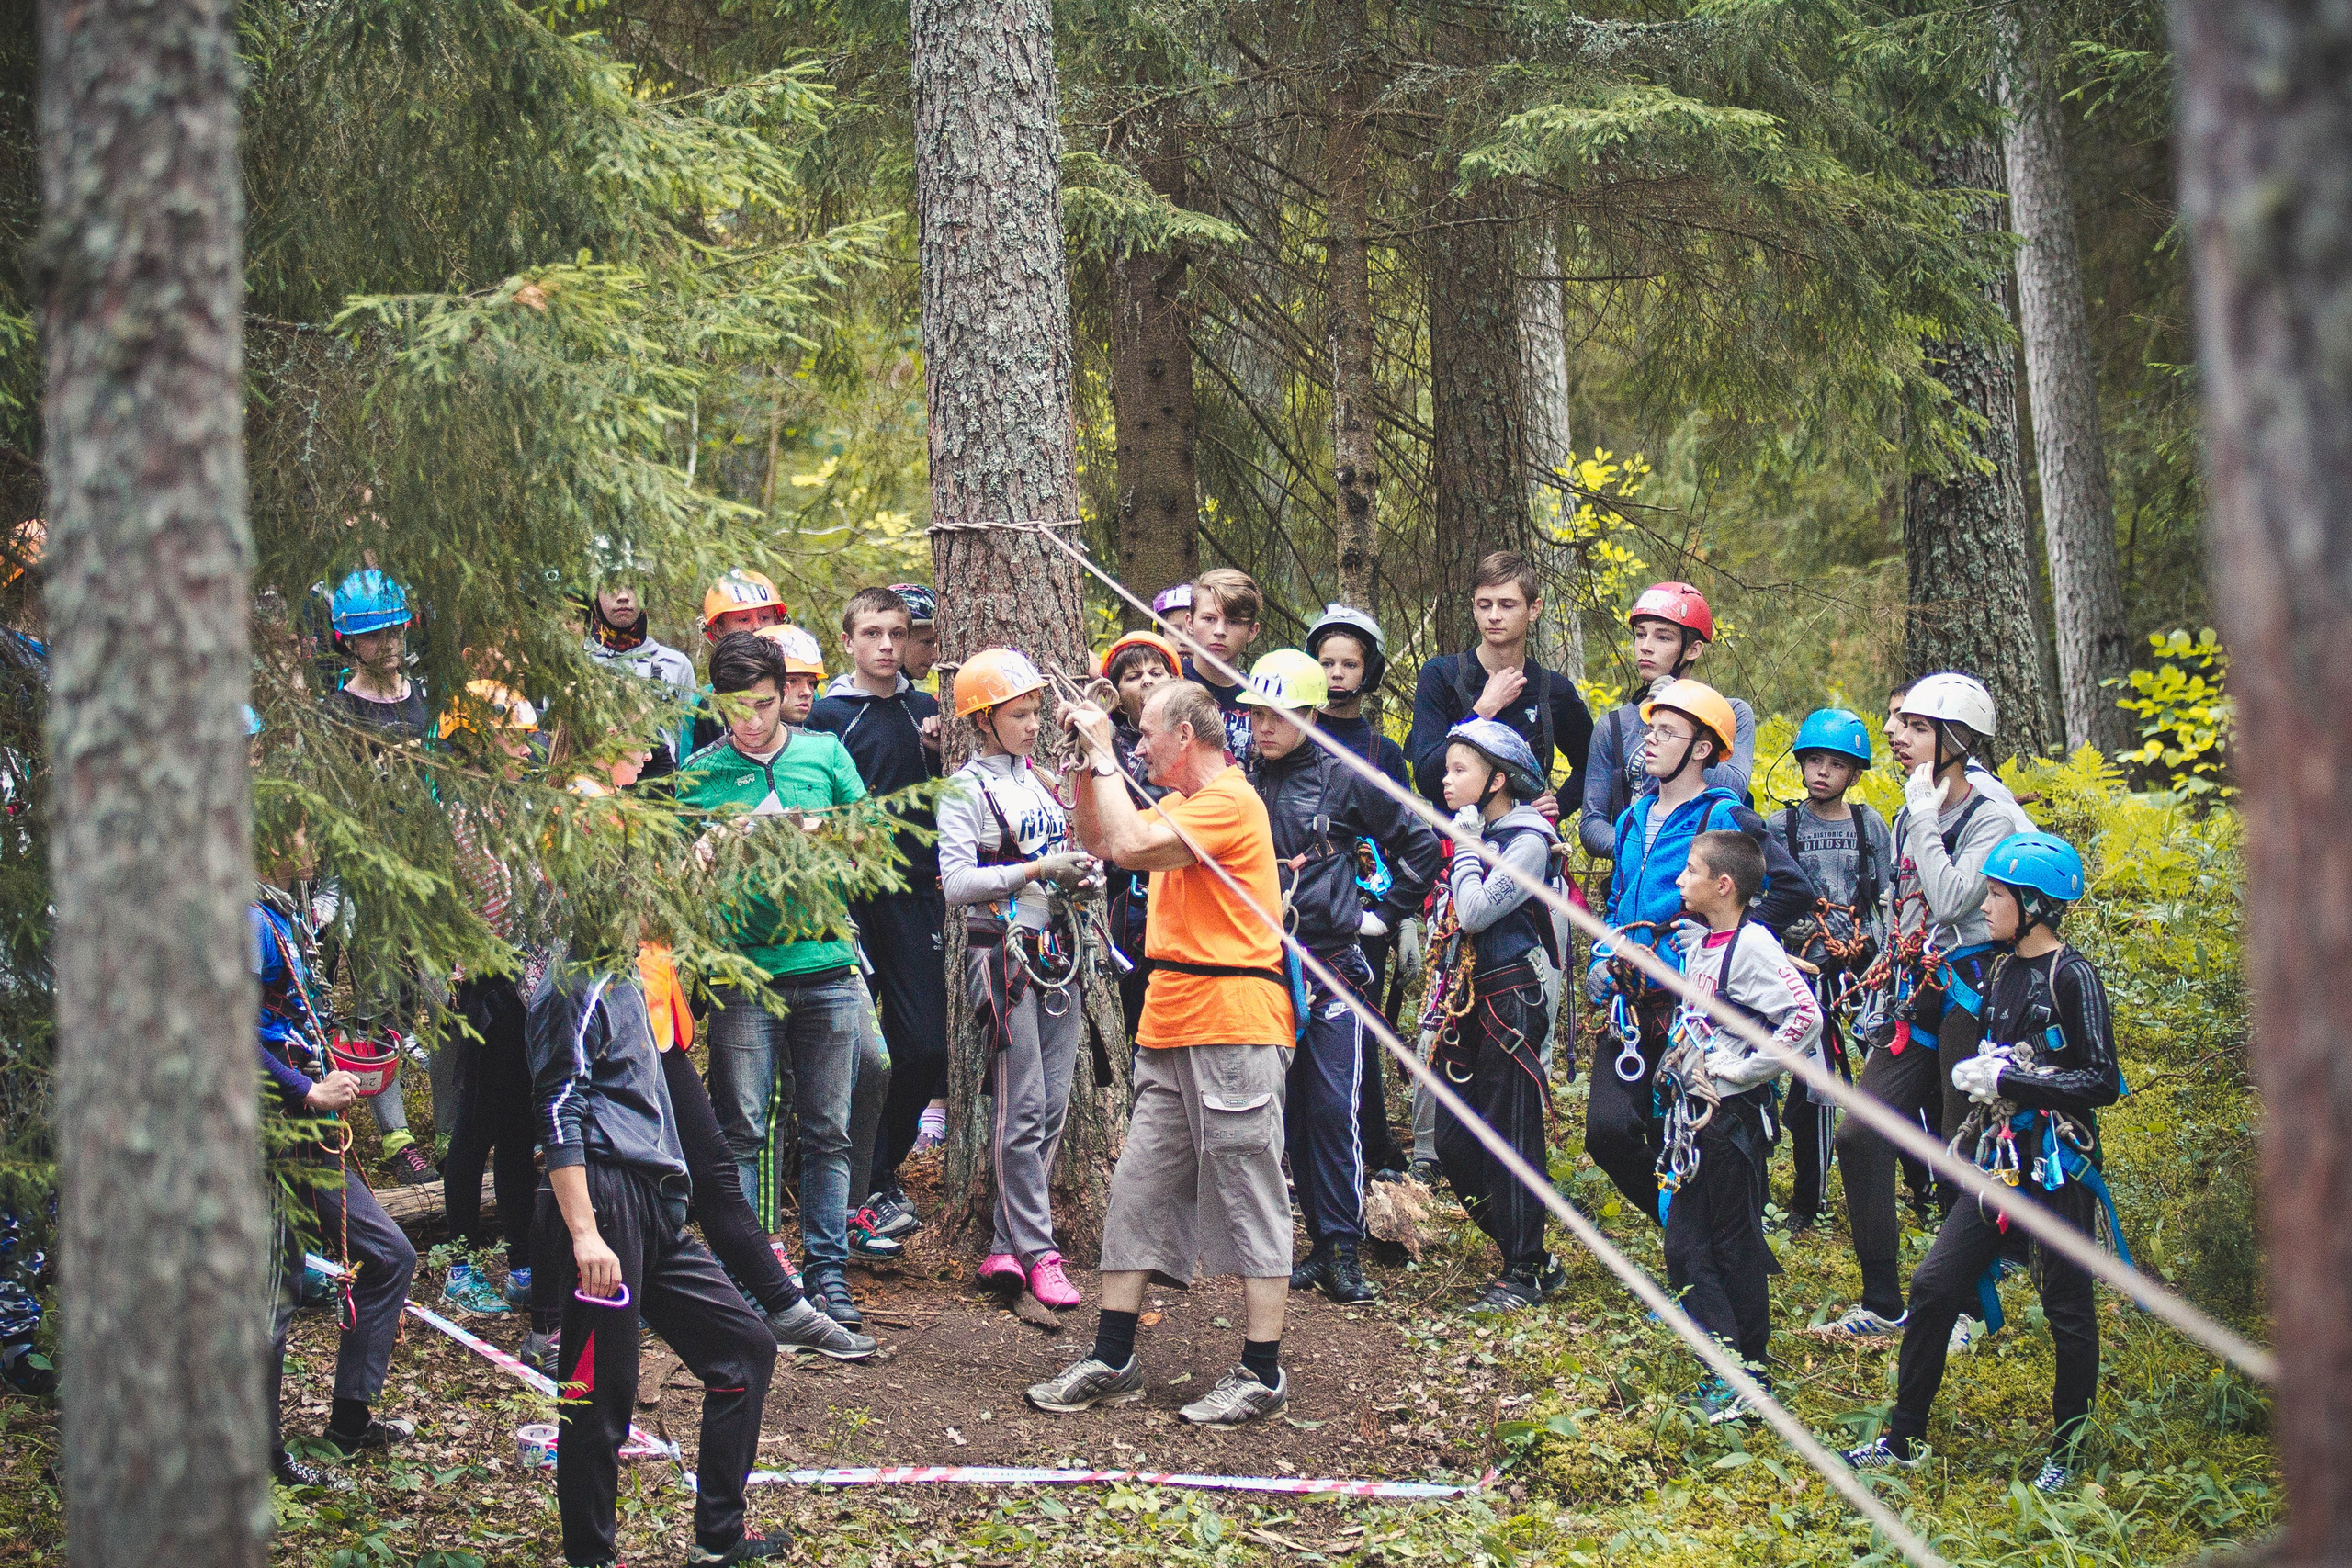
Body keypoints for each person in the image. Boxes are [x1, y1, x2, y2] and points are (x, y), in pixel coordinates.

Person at [1031, 681, 1296, 1426]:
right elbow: (1101, 840)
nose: (1139, 745)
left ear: (1187, 733)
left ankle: (1263, 1370)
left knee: (1249, 1186)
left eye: (1146, 733)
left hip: (1236, 1019)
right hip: (1172, 1021)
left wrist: (1104, 752)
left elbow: (1132, 842)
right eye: (1133, 736)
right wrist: (1089, 765)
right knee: (1138, 1185)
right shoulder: (1182, 807)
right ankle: (1114, 1356)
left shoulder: (1232, 802)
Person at [1843, 831, 2120, 1494]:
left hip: (2054, 1165)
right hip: (1999, 1166)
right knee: (1936, 1285)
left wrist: (2016, 1083)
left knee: (2067, 1307)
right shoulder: (1999, 969)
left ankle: (2068, 1447)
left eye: (1997, 894)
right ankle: (1904, 1435)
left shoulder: (2070, 975)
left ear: (2033, 905)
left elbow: (2102, 1080)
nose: (1986, 904)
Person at [530, 958, 784, 1568]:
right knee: (598, 1401)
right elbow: (560, 1107)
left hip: (653, 1205)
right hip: (604, 1197)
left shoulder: (628, 973)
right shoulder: (572, 980)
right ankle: (592, 1558)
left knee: (745, 1347)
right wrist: (585, 1232)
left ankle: (718, 1537)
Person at [673, 631, 876, 1328]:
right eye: (737, 708)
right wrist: (711, 849)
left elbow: (874, 838)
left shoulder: (823, 751)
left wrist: (828, 834)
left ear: (785, 693)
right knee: (745, 1128)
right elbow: (673, 888)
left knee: (829, 1129)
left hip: (825, 965)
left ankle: (828, 1275)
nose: (752, 721)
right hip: (742, 974)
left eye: (763, 704)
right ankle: (758, 1271)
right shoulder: (700, 771)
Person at [1826, 671, 2034, 1337]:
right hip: (1917, 992)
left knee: (1956, 1150)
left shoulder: (1988, 816)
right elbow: (1906, 908)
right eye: (1900, 724)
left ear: (1955, 741)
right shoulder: (1910, 813)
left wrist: (1921, 818)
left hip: (1973, 994)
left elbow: (1952, 901)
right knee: (1860, 1133)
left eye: (1916, 727)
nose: (1896, 735)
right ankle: (1883, 1301)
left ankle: (1969, 1307)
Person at [1239, 650, 1439, 1304]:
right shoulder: (1241, 774)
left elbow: (1421, 843)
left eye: (1279, 715)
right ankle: (1316, 1241)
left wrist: (1384, 916)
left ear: (1310, 714)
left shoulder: (1346, 776)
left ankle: (1343, 1245)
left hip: (1330, 960)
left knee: (1332, 1101)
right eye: (1255, 714)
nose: (1263, 727)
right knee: (1287, 1102)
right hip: (1260, 960)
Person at [1584, 679, 1815, 1227]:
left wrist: (1728, 943)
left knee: (1709, 1138)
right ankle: (1686, 1226)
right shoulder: (1631, 818)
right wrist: (1600, 956)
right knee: (1609, 1133)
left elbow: (1791, 887)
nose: (1650, 742)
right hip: (1631, 1002)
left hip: (1697, 1008)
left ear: (1702, 748)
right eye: (1650, 730)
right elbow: (1618, 899)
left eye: (1668, 732)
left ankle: (1718, 1249)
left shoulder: (1724, 816)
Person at [938, 649, 1096, 1308]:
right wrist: (1034, 871)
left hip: (1058, 944)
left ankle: (1006, 1240)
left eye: (1035, 711)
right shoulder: (965, 789)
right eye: (1018, 714)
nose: (1033, 724)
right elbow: (955, 883)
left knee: (1052, 1102)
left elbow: (1073, 850)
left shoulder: (1045, 783)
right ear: (984, 720)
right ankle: (1040, 1250)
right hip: (1001, 951)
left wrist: (1083, 875)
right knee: (1021, 1102)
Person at [1652, 831, 1823, 1422]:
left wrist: (1747, 1071)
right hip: (1700, 1116)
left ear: (1723, 885)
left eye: (1691, 871)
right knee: (1707, 1242)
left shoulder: (1752, 946)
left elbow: (1806, 1017)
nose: (1679, 880)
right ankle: (1741, 1368)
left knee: (1712, 1244)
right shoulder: (1713, 942)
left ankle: (1739, 1375)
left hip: (1731, 1120)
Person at [254, 884, 419, 1484]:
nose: (308, 843)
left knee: (389, 1256)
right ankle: (262, 1460)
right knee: (276, 1293)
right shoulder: (247, 920)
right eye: (298, 828)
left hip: (312, 1135)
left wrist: (329, 1070)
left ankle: (348, 1426)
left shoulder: (284, 915)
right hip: (266, 1140)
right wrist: (305, 1090)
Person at [807, 588, 946, 1247]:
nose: (887, 645)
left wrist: (943, 747)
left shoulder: (931, 710)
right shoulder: (831, 716)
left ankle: (879, 1167)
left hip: (920, 891)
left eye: (897, 632)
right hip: (852, 898)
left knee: (925, 1044)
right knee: (858, 1052)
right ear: (850, 641)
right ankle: (845, 1187)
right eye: (872, 633)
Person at [1430, 719, 1568, 1311]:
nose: (1447, 780)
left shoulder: (1527, 840)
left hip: (1513, 997)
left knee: (1511, 1130)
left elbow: (1478, 911)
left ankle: (1524, 1270)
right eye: (1448, 768)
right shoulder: (1484, 830)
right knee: (1456, 1140)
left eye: (1462, 770)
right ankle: (1526, 1249)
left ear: (1498, 780)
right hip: (1471, 995)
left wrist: (1463, 850)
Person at [321, 568, 438, 1186]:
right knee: (376, 1007)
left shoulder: (430, 701)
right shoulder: (336, 711)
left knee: (446, 999)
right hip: (366, 881)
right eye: (373, 635)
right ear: (350, 640)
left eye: (393, 629)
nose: (387, 643)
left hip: (432, 874)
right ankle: (397, 1137)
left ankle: (450, 1127)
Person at [437, 682, 552, 1316]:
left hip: (529, 984)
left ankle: (523, 1262)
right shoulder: (460, 814)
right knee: (476, 1127)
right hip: (484, 984)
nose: (525, 745)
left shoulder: (527, 806)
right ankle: (457, 1260)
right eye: (513, 735)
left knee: (518, 1131)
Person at [1764, 708, 1894, 1233]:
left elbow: (1886, 897)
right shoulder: (1782, 825)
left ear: (1855, 774)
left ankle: (1925, 1184)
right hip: (1802, 972)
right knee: (1811, 1086)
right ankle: (1808, 1200)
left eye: (1836, 765)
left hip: (1862, 969)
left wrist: (1886, 962)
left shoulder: (1871, 826)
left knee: (1890, 1074)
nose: (1822, 772)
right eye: (1813, 760)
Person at [1306, 604, 1416, 1179]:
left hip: (1363, 906)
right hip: (1302, 902)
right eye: (1327, 662)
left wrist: (1394, 913)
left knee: (1360, 1027)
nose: (1337, 674)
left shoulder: (1384, 753)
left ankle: (1372, 1146)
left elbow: (1404, 840)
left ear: (1367, 671)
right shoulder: (1295, 735)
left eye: (1349, 663)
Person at [1406, 551, 1595, 822]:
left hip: (1528, 847)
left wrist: (1558, 808)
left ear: (1534, 609)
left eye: (1507, 605)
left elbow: (1594, 765)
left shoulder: (1553, 690)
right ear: (1473, 608)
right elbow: (1427, 779)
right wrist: (1483, 710)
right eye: (1485, 605)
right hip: (1457, 849)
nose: (1494, 615)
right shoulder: (1441, 675)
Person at [1577, 581, 1757, 860]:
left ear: (1693, 650)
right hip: (1636, 875)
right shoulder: (1613, 726)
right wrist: (1640, 847)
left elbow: (1732, 787)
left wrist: (1688, 715)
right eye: (1640, 635)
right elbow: (1592, 824)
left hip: (1707, 879)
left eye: (1663, 638)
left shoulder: (1733, 714)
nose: (1645, 647)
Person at [1097, 630, 1183, 1041]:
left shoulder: (1195, 741)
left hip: (1179, 890)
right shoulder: (1106, 743)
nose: (1147, 680)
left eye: (1156, 671)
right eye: (1133, 676)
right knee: (1130, 1006)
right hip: (1124, 897)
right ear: (1114, 691)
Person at [582, 573, 696, 777]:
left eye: (633, 586)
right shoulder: (575, 665)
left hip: (660, 794)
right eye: (611, 586)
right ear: (595, 594)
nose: (624, 596)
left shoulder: (676, 665)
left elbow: (687, 745)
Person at [682, 569, 790, 759]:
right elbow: (690, 774)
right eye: (743, 619)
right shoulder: (703, 704)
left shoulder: (804, 691)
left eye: (765, 618)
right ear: (717, 629)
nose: (757, 626)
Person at [1179, 568, 1262, 762]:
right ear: (1190, 623)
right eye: (1209, 619)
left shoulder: (1258, 695)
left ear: (1252, 631)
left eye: (1233, 622)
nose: (1220, 631)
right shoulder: (1170, 681)